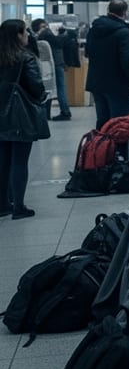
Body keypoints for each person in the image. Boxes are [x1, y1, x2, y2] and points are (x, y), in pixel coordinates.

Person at [0, 19, 47, 219]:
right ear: (17, 35)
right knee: (19, 161)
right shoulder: (25, 58)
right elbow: (36, 86)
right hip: (20, 116)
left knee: (3, 161)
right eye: (25, 32)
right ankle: (18, 206)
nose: (28, 35)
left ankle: (3, 204)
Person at [86, 0, 129, 129]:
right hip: (118, 85)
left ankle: (102, 142)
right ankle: (115, 144)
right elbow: (127, 60)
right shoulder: (124, 32)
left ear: (108, 10)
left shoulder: (94, 30)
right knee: (118, 125)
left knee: (102, 123)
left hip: (97, 83)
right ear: (125, 13)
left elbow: (88, 53)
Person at [33, 19, 71, 121]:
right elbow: (58, 42)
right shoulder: (47, 34)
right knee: (60, 88)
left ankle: (54, 112)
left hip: (49, 65)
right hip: (56, 64)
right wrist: (65, 34)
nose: (46, 27)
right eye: (43, 26)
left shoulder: (39, 36)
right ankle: (65, 111)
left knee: (49, 89)